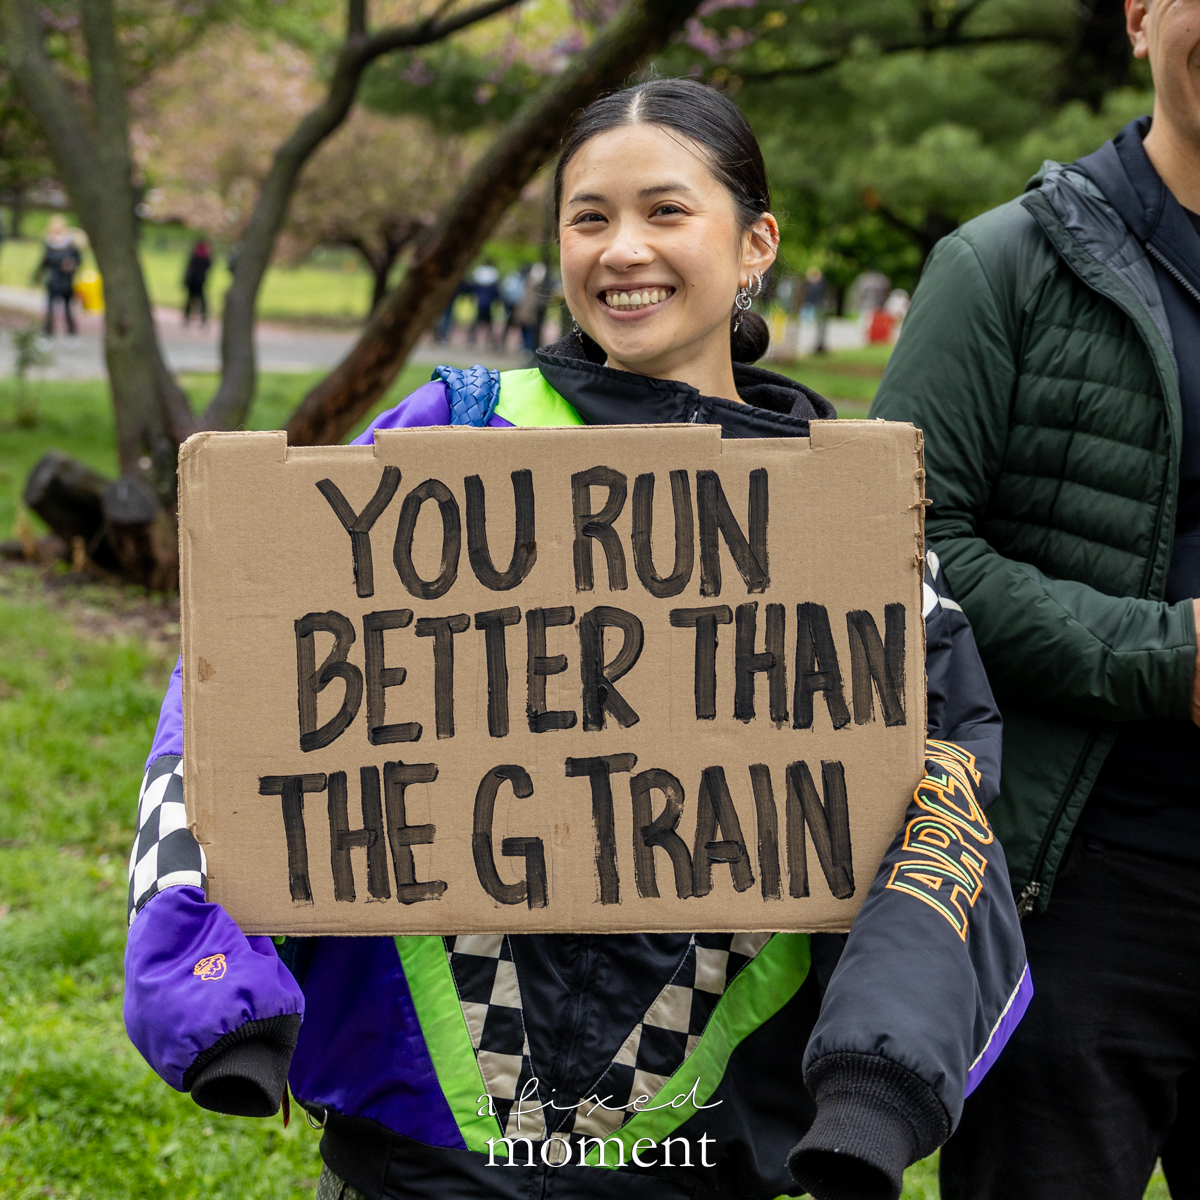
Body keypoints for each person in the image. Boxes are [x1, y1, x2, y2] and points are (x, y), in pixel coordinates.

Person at [124, 78, 1026, 1200]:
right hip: (418, 1153)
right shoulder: (444, 436)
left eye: (665, 212)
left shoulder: (846, 507)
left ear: (756, 242)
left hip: (703, 1150)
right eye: (588, 218)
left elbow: (943, 789)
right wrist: (211, 983)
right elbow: (231, 688)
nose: (621, 250)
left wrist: (876, 1079)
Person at [871, 3, 1200, 1197]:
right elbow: (901, 550)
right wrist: (1167, 656)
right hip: (1078, 890)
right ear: (1142, 17)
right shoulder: (1002, 262)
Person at [35, 215, 81, 338]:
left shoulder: (71, 244)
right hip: (53, 280)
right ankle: (48, 333)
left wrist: (71, 265)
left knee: (68, 309)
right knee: (50, 309)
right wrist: (36, 276)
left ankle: (71, 333)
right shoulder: (49, 243)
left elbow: (78, 260)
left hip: (67, 281)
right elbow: (44, 262)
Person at [182, 239, 212, 326]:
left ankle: (187, 317)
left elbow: (189, 269)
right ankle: (203, 318)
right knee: (201, 301)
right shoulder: (205, 258)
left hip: (194, 281)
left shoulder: (195, 256)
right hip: (200, 281)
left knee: (191, 300)